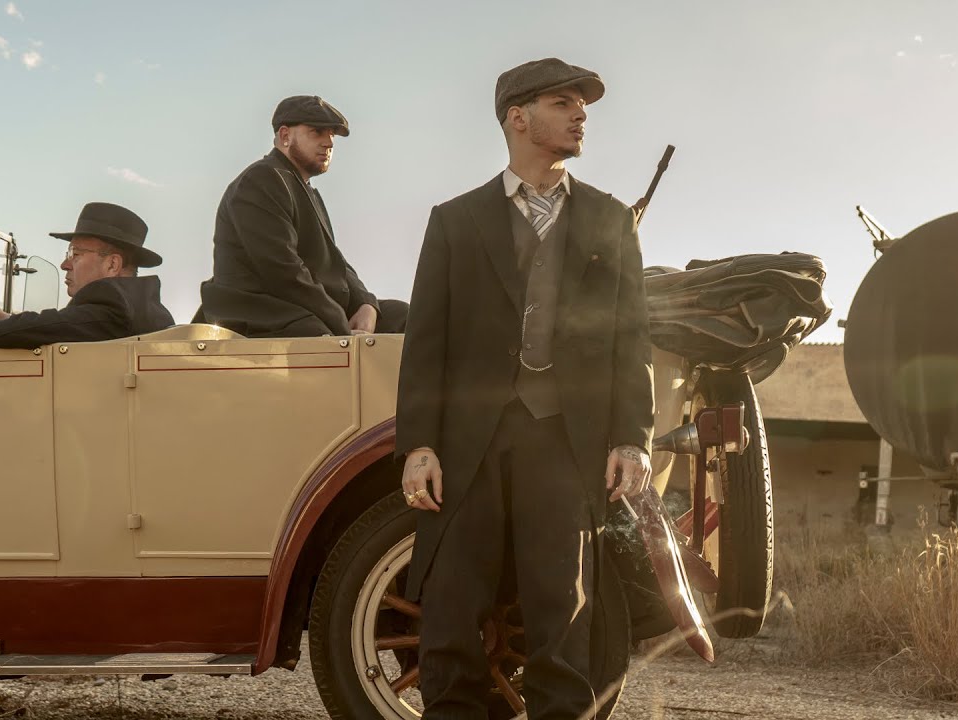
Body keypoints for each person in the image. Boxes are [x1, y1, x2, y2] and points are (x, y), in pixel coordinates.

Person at [395, 58, 655, 719]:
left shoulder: (610, 218)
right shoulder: (454, 220)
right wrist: (419, 446)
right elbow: (426, 344)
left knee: (563, 609)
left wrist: (633, 437)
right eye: (563, 102)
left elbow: (632, 340)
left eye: (582, 105)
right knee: (452, 606)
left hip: (565, 437)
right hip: (468, 442)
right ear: (517, 116)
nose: (581, 114)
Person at [195, 95, 407, 337]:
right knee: (319, 335)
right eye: (317, 132)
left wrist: (366, 303)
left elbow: (334, 262)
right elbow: (283, 271)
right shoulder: (261, 180)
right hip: (263, 313)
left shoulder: (306, 190)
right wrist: (341, 327)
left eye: (332, 134)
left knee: (402, 316)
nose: (329, 142)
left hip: (306, 308)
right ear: (285, 135)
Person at [0, 202, 174, 348]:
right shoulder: (140, 311)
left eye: (75, 254)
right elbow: (63, 325)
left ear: (112, 264)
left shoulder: (115, 307)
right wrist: (0, 317)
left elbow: (49, 325)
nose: (64, 265)